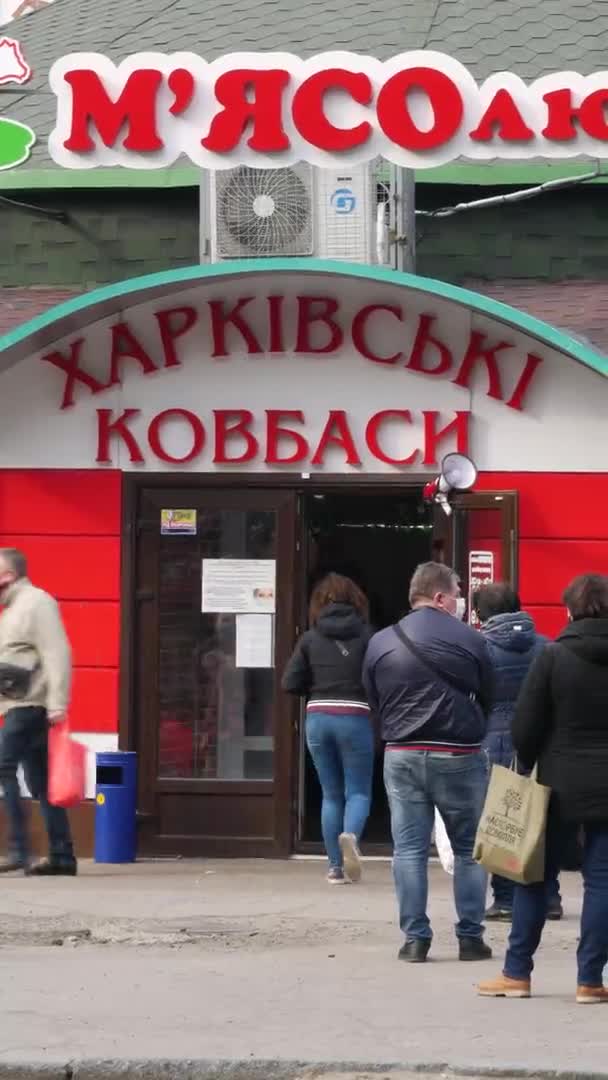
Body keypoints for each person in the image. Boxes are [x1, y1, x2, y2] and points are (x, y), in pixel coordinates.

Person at [479, 573, 608, 1004]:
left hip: (555, 785)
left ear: (569, 610)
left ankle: (517, 974)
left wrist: (530, 763)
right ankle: (590, 981)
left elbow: (525, 726)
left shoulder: (553, 657)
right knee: (603, 884)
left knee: (534, 877)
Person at [363, 561, 494, 963]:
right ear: (440, 597)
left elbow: (373, 698)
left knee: (408, 850)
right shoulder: (471, 640)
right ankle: (471, 938)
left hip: (401, 755)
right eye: (457, 594)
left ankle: (415, 939)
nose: (459, 602)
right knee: (470, 848)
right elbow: (489, 693)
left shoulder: (380, 642)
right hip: (458, 754)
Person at [473, 583, 563, 922]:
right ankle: (549, 895)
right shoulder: (547, 646)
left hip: (492, 739)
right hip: (543, 741)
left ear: (481, 615)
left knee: (501, 818)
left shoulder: (479, 648)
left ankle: (507, 898)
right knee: (541, 818)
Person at [282, 573, 373, 884]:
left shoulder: (310, 638)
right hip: (356, 715)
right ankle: (350, 837)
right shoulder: (368, 636)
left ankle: (335, 868)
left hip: (318, 716)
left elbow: (290, 683)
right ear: (356, 601)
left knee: (331, 795)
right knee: (358, 791)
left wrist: (318, 682)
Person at [0, 548, 76, 876]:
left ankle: (19, 849)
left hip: (30, 706)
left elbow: (57, 652)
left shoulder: (36, 602)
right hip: (17, 705)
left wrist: (58, 702)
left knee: (2, 767)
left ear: (9, 574)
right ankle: (62, 857)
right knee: (42, 783)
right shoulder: (13, 607)